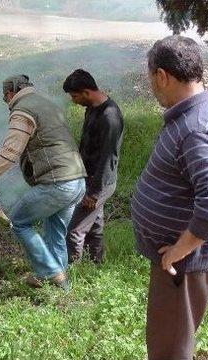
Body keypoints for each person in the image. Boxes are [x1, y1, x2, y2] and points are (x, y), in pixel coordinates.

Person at [132, 36, 208, 360]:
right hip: (179, 264)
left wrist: (178, 250)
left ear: (162, 75)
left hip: (182, 267)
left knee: (169, 352)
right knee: (170, 343)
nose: (152, 87)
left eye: (151, 79)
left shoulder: (194, 128)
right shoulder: (194, 113)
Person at [0, 74, 86, 289]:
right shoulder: (45, 103)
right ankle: (60, 287)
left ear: (11, 93)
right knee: (55, 232)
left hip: (58, 183)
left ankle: (52, 272)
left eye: (5, 97)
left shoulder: (23, 110)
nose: (6, 102)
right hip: (77, 180)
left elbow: (11, 150)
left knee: (19, 222)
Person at [62, 69, 124, 264]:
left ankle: (71, 274)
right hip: (89, 179)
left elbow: (109, 158)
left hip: (100, 183)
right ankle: (95, 265)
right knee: (95, 227)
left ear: (86, 92)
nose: (73, 101)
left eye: (74, 96)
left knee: (74, 230)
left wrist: (94, 193)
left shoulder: (109, 116)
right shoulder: (91, 108)